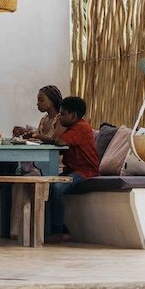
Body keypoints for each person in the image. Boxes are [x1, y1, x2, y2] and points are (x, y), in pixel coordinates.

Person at [47, 95, 99, 243]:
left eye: (62, 114)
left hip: (85, 171)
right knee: (47, 186)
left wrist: (49, 133)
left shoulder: (81, 127)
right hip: (72, 170)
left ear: (74, 115)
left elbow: (60, 141)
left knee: (57, 188)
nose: (60, 117)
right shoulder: (73, 127)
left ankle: (59, 230)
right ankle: (51, 228)